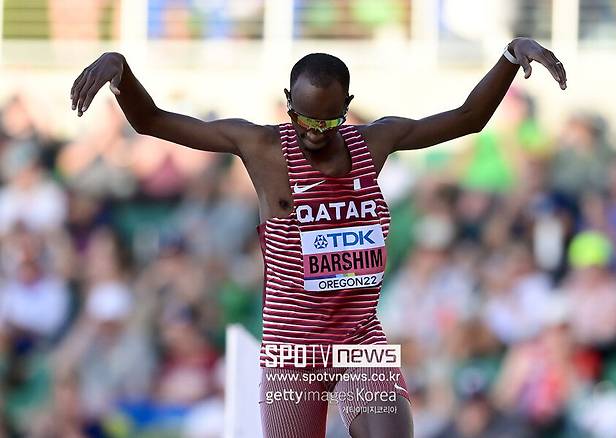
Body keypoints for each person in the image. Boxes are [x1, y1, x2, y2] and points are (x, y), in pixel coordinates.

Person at [70, 38, 567, 438]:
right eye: (304, 118)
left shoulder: (376, 141)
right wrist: (120, 70)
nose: (315, 132)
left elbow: (466, 119)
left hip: (358, 337)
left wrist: (510, 56)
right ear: (289, 104)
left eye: (329, 121)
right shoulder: (261, 147)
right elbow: (153, 121)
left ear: (346, 107)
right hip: (291, 349)